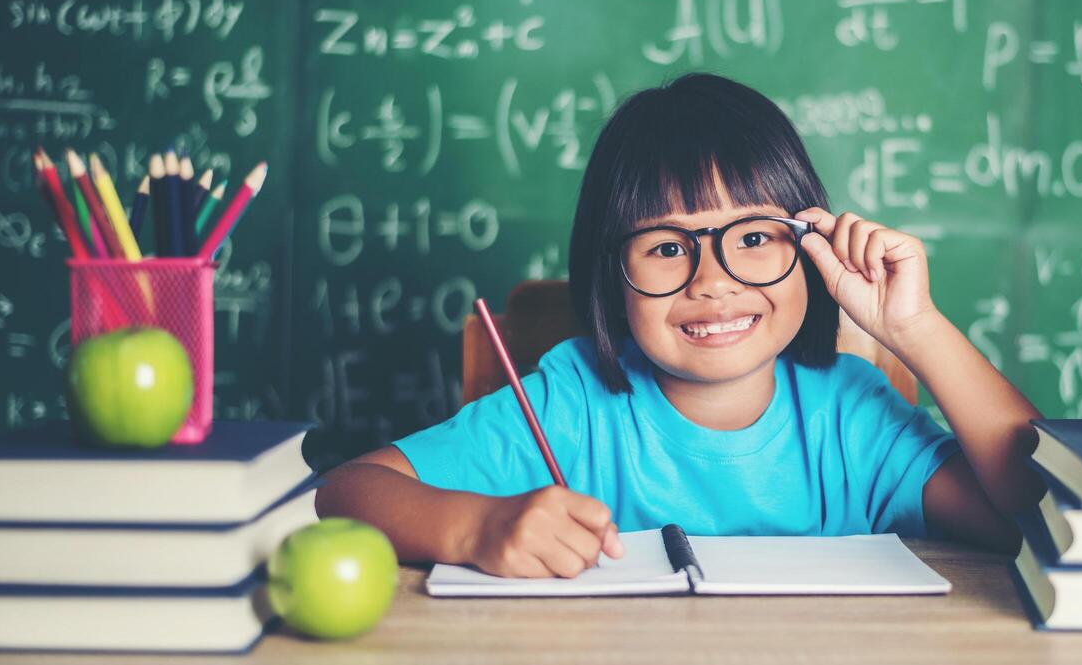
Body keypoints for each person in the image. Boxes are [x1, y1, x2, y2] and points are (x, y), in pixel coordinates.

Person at [316, 73, 1044, 578]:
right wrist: (476, 529)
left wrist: (914, 327)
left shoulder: (855, 417)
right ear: (612, 275)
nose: (713, 280)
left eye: (754, 237)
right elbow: (346, 491)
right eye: (667, 247)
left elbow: (1045, 517)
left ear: (810, 247)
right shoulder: (572, 405)